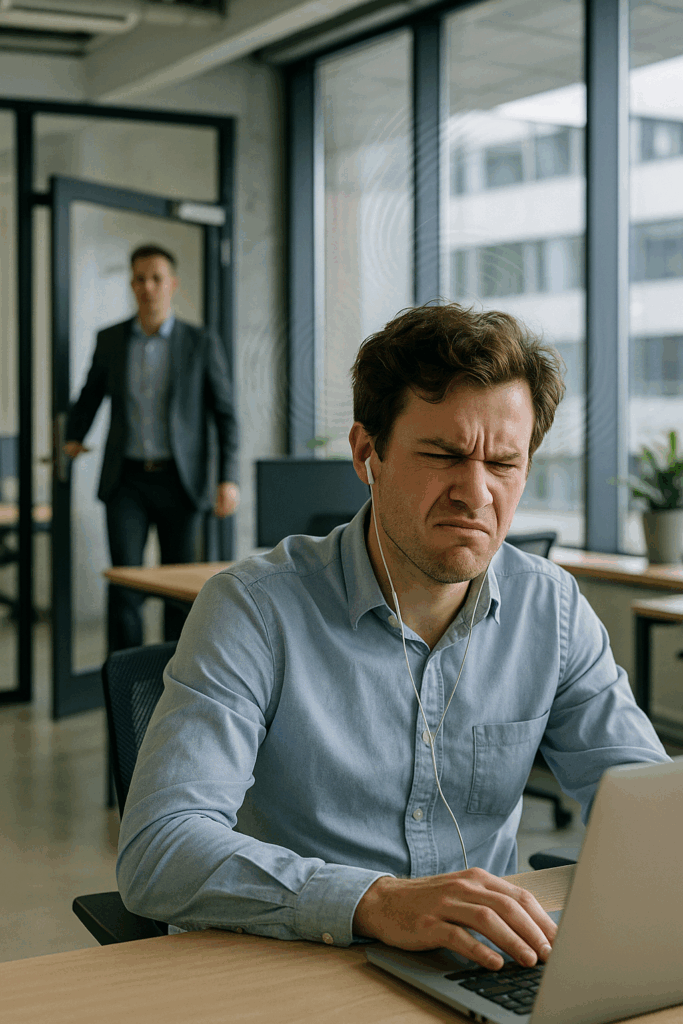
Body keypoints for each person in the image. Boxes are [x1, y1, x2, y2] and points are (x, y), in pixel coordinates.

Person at [117, 302, 669, 971]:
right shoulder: (253, 610)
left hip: (484, 970)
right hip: (302, 965)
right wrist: (373, 902)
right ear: (365, 453)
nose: (475, 493)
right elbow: (159, 850)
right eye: (442, 454)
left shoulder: (549, 609)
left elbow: (649, 813)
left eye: (503, 463)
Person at [64, 243, 239, 651]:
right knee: (124, 585)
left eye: (156, 278)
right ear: (131, 284)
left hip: (182, 481)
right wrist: (73, 437)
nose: (148, 287)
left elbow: (226, 414)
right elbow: (91, 394)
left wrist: (228, 478)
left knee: (180, 590)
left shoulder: (199, 342)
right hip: (126, 481)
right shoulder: (111, 340)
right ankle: (127, 686)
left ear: (172, 284)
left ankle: (178, 685)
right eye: (140, 279)